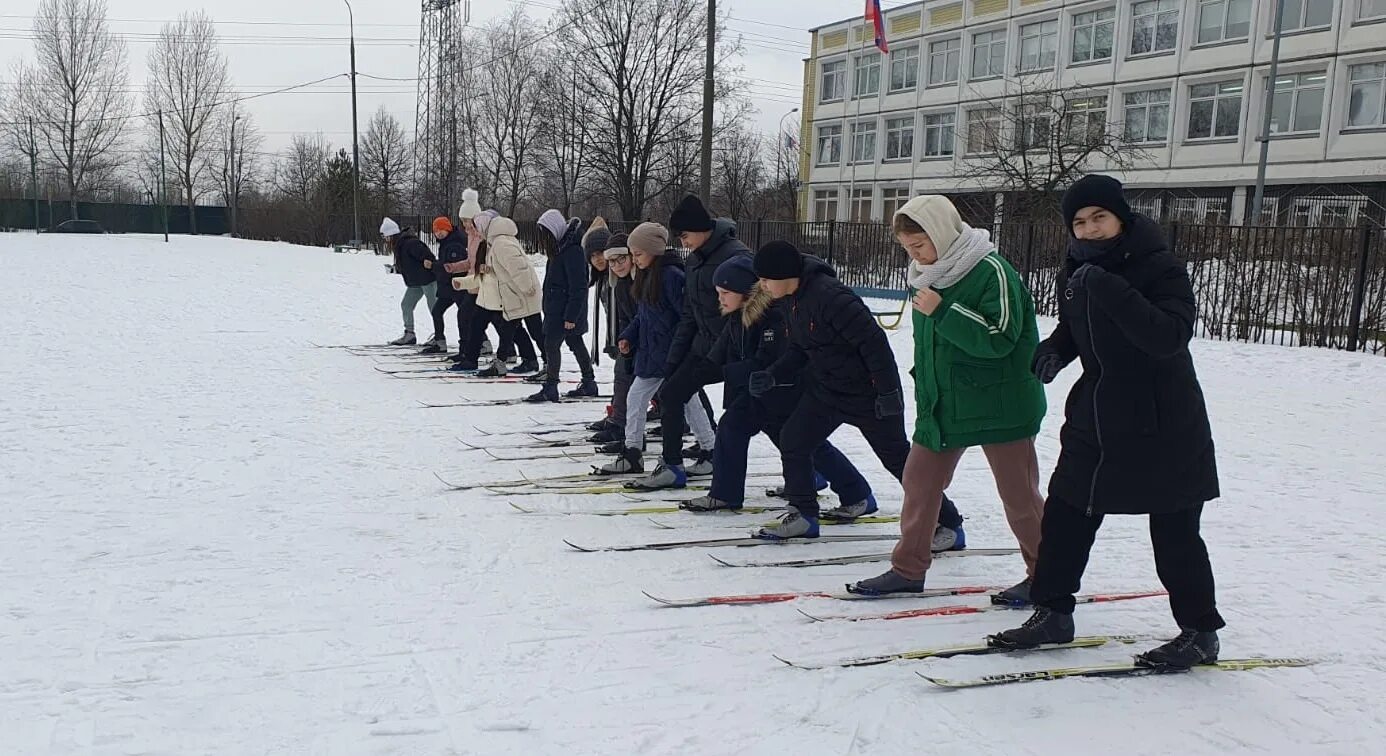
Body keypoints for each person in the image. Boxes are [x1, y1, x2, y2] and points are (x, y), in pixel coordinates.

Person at [990, 175, 1224, 670]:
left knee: (1175, 532)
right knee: (1066, 517)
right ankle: (1053, 613)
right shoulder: (1077, 269)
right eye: (1079, 221)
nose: (1090, 229)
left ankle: (1200, 632)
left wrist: (1109, 287)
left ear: (1122, 217)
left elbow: (1168, 336)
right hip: (1096, 416)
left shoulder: (1160, 268)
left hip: (1164, 423)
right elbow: (1074, 327)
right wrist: (1056, 348)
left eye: (1099, 217)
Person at [847, 195, 1046, 597]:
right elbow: (929, 347)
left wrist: (945, 311)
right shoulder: (927, 274)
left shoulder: (992, 270)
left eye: (919, 244)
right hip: (945, 404)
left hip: (1000, 406)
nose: (914, 254)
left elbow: (1001, 338)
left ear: (942, 233)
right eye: (907, 247)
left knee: (1019, 497)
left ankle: (1047, 577)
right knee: (918, 482)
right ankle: (908, 570)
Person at [748, 241, 964, 541]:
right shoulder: (790, 299)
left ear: (786, 274)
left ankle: (951, 524)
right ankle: (804, 515)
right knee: (793, 439)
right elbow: (801, 346)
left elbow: (875, 345)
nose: (762, 285)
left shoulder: (831, 297)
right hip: (828, 390)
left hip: (869, 394)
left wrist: (888, 394)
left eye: (766, 279)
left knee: (899, 461)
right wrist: (773, 375)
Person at [681, 256, 879, 518]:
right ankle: (724, 494)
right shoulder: (735, 317)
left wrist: (723, 372)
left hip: (786, 391)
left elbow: (768, 359)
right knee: (732, 428)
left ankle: (858, 494)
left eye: (725, 292)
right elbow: (717, 355)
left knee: (807, 445)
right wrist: (692, 376)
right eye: (718, 292)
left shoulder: (774, 315)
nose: (720, 298)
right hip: (756, 394)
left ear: (745, 291)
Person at [629, 194, 747, 489]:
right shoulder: (694, 259)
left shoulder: (736, 255)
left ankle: (811, 471)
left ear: (701, 227)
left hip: (735, 348)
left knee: (767, 418)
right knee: (671, 393)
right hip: (704, 346)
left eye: (685, 235)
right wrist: (674, 358)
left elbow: (754, 307)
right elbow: (690, 314)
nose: (683, 243)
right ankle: (672, 466)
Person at [596, 223, 716, 477]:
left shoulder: (671, 276)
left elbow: (685, 315)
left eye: (638, 254)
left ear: (653, 250)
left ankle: (706, 449)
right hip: (654, 353)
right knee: (655, 399)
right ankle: (637, 451)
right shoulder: (647, 275)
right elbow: (644, 315)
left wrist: (678, 347)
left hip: (670, 354)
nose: (635, 260)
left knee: (679, 401)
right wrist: (628, 336)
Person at [455, 211, 542, 375]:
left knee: (532, 331)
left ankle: (542, 363)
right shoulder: (492, 243)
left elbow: (518, 268)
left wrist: (526, 288)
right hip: (506, 295)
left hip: (518, 295)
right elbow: (492, 272)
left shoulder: (501, 243)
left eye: (477, 227)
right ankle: (503, 362)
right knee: (507, 330)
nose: (476, 231)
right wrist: (465, 281)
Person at [528, 209, 601, 402]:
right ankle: (589, 381)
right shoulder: (561, 249)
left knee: (552, 344)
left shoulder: (572, 251)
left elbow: (578, 287)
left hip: (563, 312)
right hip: (557, 309)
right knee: (574, 342)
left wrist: (571, 316)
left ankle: (552, 385)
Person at [592, 234, 638, 450]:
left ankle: (707, 432)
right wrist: (624, 337)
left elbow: (647, 314)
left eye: (621, 259)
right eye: (613, 261)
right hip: (636, 342)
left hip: (656, 342)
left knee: (677, 389)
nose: (617, 265)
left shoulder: (642, 280)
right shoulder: (619, 284)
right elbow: (625, 317)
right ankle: (620, 422)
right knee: (623, 376)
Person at [380, 217, 437, 346]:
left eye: (385, 237)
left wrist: (433, 268)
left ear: (390, 235)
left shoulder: (410, 244)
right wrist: (395, 270)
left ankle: (439, 337)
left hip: (428, 280)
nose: (385, 240)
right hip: (416, 282)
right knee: (406, 304)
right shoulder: (400, 246)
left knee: (434, 309)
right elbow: (409, 265)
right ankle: (409, 334)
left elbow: (428, 258)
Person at [422, 214, 469, 355]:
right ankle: (440, 342)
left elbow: (452, 266)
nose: (438, 233)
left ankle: (482, 343)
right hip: (448, 287)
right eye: (436, 231)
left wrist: (433, 266)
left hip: (458, 286)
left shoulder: (455, 243)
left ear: (447, 229)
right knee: (437, 312)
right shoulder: (447, 242)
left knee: (467, 316)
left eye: (440, 230)